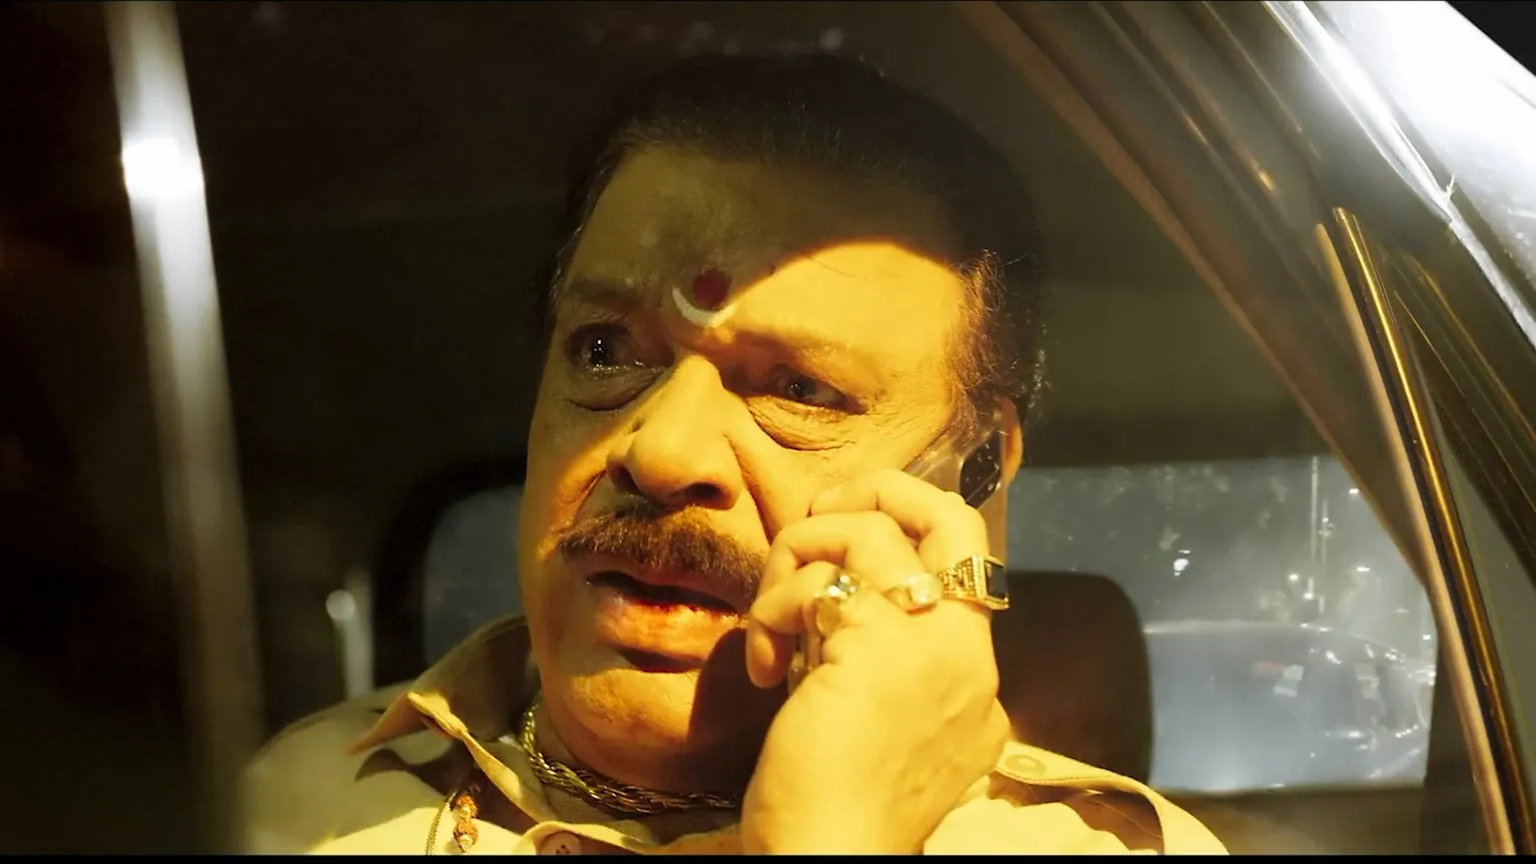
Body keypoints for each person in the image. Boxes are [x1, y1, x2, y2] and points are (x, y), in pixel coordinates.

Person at [242, 52, 1226, 854]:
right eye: (605, 351)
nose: (663, 454)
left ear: (971, 469)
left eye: (799, 390)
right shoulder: (303, 801)